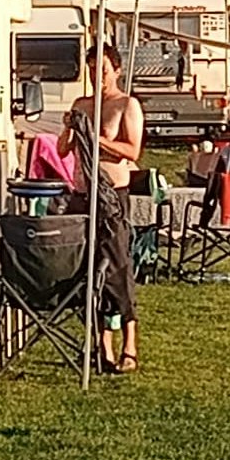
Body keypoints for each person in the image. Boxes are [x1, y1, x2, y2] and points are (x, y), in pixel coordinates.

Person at [59, 41, 144, 374]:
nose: (98, 76)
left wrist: (97, 139)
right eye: (92, 70)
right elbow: (64, 149)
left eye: (104, 70)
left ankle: (130, 342)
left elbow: (132, 151)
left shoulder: (126, 105)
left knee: (117, 266)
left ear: (117, 70)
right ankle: (101, 343)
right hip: (83, 193)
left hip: (112, 197)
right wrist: (70, 126)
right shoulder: (82, 104)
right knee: (89, 268)